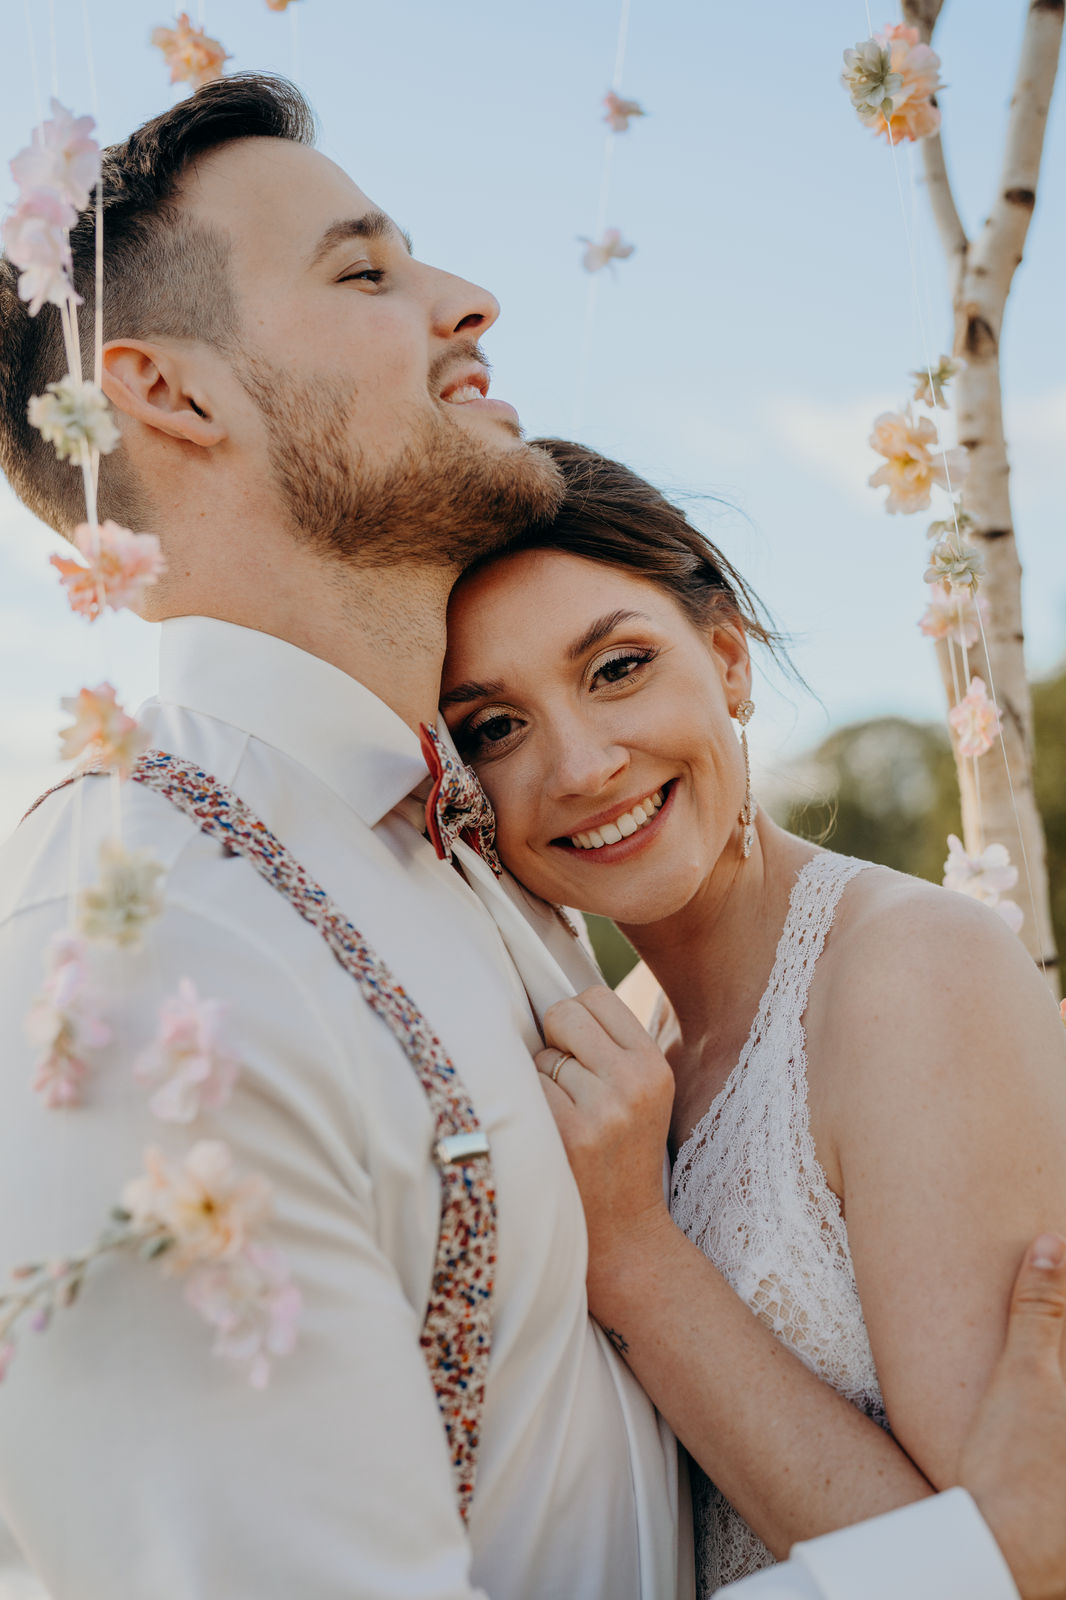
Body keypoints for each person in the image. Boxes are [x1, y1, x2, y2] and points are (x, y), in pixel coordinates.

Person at [0, 73, 1058, 1600]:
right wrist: (966, 1569)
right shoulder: (140, 964)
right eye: (364, 273)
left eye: (616, 669)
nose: (468, 302)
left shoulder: (474, 863)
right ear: (171, 394)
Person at [440, 439, 1066, 1594]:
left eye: (617, 667)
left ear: (726, 658)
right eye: (494, 727)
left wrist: (632, 1255)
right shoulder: (623, 1038)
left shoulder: (908, 975)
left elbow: (1009, 1570)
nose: (579, 764)